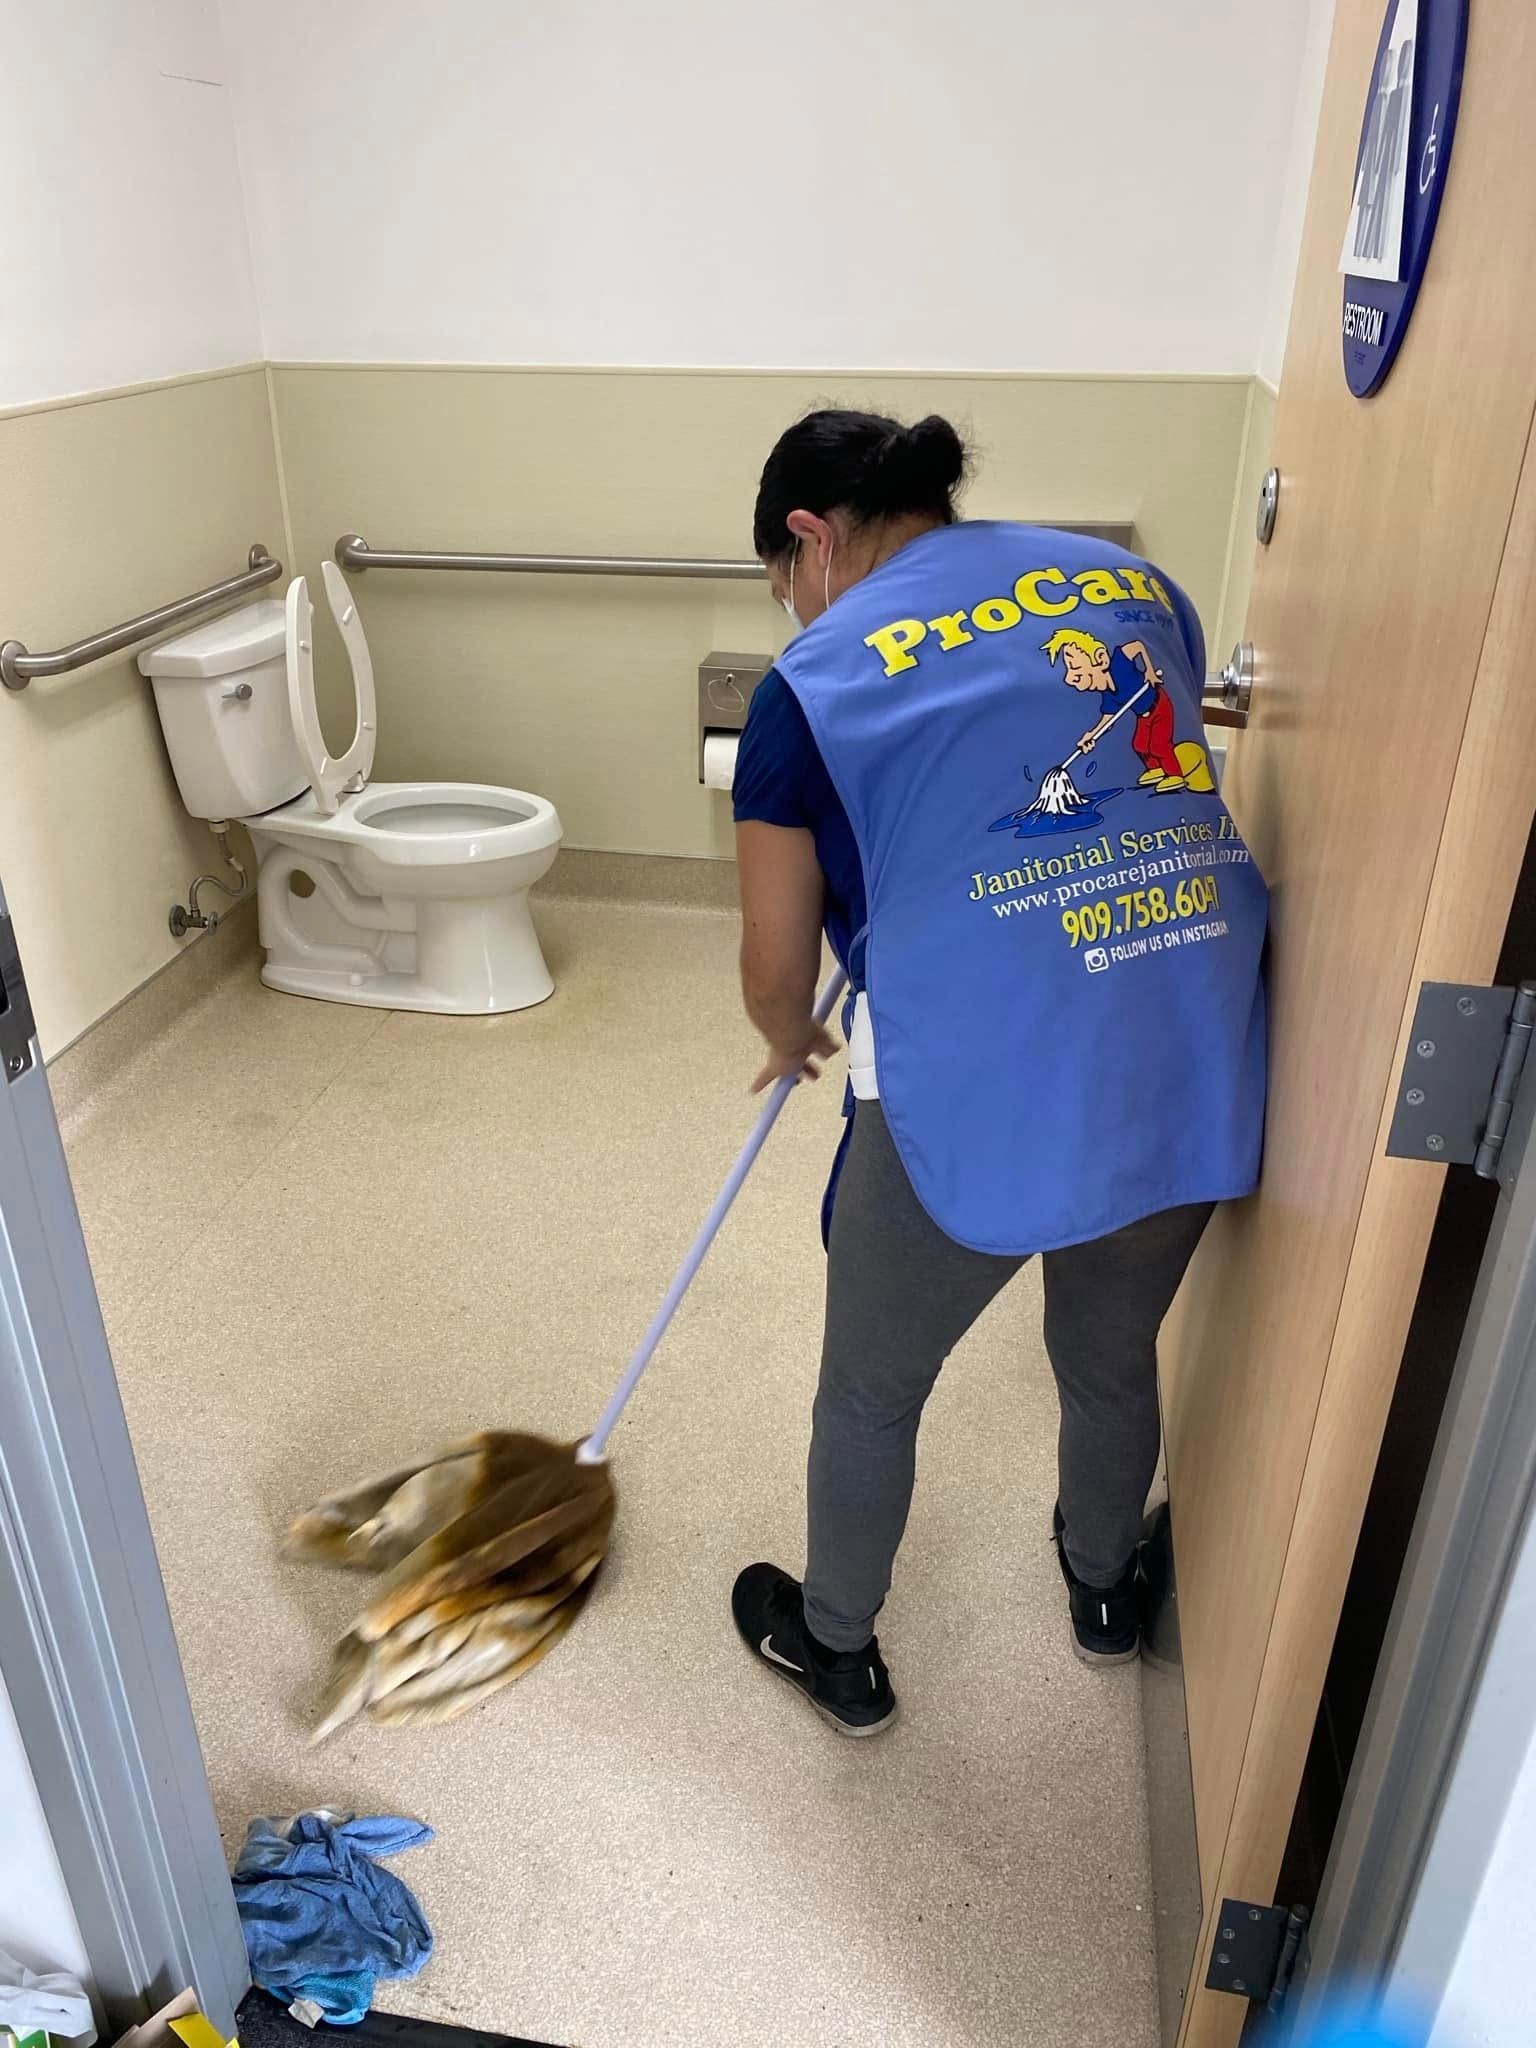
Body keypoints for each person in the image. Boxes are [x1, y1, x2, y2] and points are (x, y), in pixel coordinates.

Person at [728, 409, 1268, 1737]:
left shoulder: (809, 684)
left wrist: (789, 1038)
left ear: (810, 536)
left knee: (870, 1394)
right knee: (1110, 1354)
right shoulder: (1131, 583)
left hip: (976, 1084)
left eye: (783, 578)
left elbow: (777, 964)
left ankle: (836, 1645)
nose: (793, 606)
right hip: (1180, 1042)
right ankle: (1104, 1590)